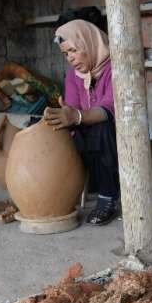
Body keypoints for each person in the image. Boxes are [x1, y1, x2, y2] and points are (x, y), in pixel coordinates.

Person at [44, 20, 120, 225]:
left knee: (101, 128)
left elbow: (108, 110)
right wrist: (63, 118)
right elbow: (72, 110)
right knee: (57, 133)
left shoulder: (115, 68)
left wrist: (76, 116)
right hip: (88, 139)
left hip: (116, 142)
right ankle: (56, 192)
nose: (70, 58)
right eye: (65, 54)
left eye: (74, 51)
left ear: (89, 44)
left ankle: (108, 198)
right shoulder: (74, 76)